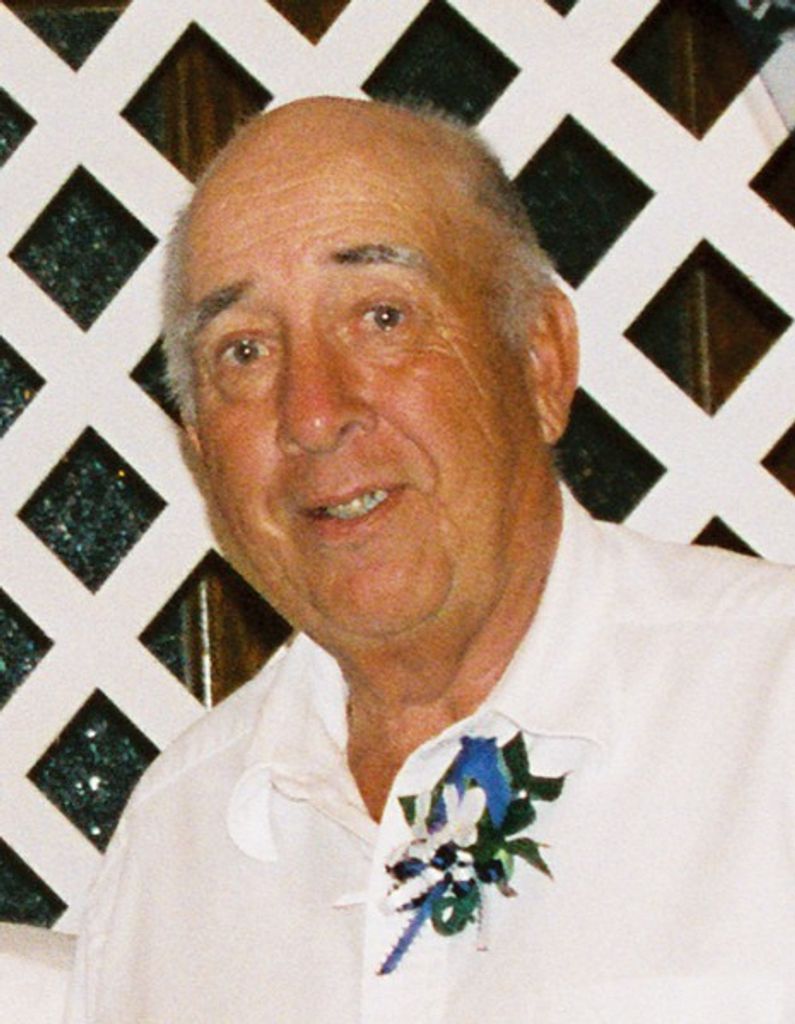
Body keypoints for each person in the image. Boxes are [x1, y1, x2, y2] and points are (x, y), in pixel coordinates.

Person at [66, 97, 795, 1023]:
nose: (312, 414)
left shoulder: (770, 708)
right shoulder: (178, 848)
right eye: (243, 352)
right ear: (201, 456)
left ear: (539, 361)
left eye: (382, 317)